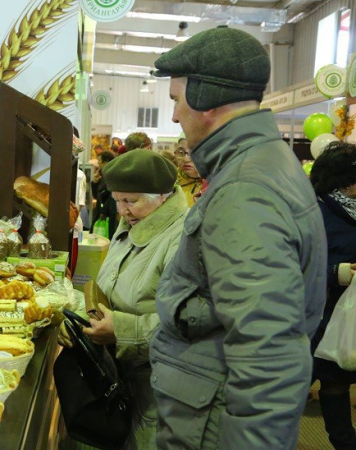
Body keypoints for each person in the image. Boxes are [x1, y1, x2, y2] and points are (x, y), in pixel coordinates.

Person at [149, 25, 326, 449]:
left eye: (176, 99)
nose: (174, 116)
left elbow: (269, 354)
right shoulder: (262, 163)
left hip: (209, 422)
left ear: (206, 98)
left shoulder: (245, 189)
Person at [59, 149, 188, 449]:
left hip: (158, 392)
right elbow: (113, 289)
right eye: (117, 199)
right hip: (120, 381)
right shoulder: (135, 222)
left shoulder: (183, 240)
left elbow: (187, 323)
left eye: (131, 201)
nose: (122, 210)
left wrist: (122, 330)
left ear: (163, 196)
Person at [309, 142, 356, 449]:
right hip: (321, 317)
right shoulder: (315, 211)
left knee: (338, 381)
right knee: (329, 382)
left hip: (351, 316)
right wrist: (336, 270)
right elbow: (298, 262)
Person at [173, 137, 203, 206]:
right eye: (181, 152)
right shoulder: (170, 179)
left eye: (194, 152)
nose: (186, 159)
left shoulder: (216, 182)